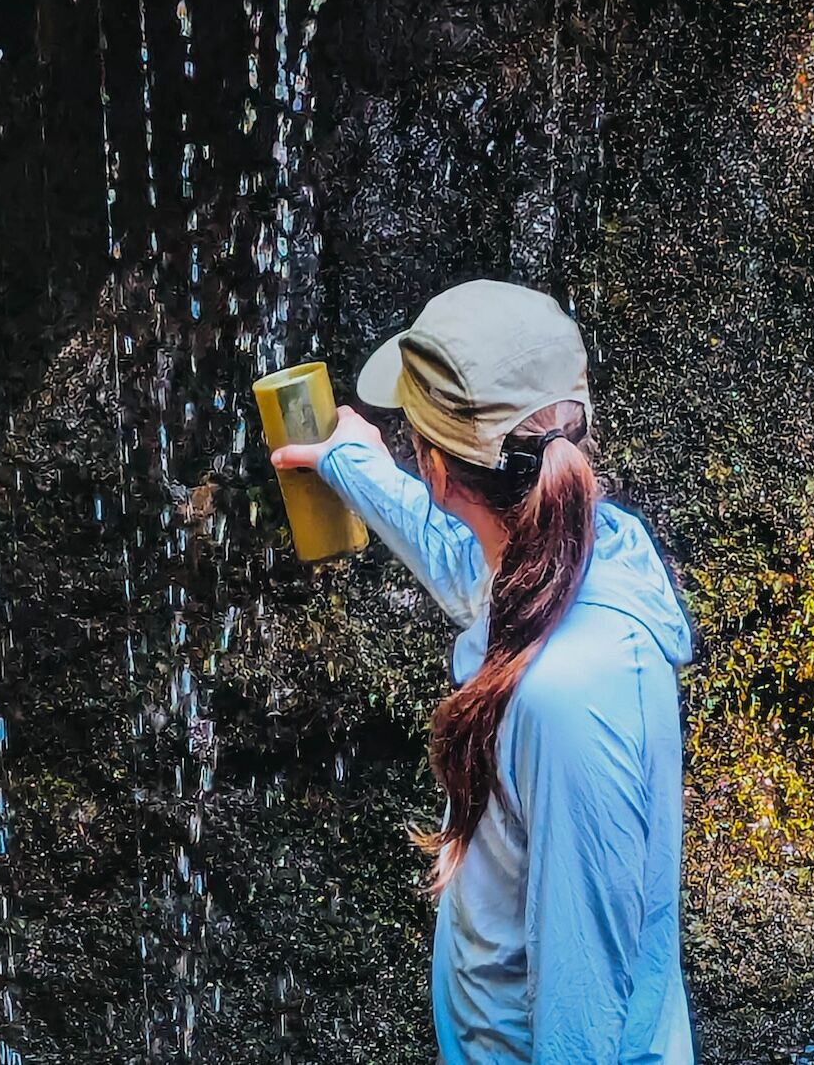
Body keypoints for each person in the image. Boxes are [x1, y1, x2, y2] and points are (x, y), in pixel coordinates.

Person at [269, 279, 697, 1064]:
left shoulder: (569, 697)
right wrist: (349, 466)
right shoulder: (587, 548)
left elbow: (583, 1010)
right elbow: (466, 564)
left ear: (437, 469)